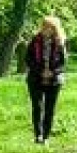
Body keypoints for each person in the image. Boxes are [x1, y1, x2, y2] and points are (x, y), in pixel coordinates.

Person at [23, 15, 67, 144]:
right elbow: (28, 59)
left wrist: (52, 73)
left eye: (50, 27)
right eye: (44, 26)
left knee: (50, 108)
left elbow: (63, 64)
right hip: (35, 78)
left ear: (55, 29)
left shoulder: (60, 43)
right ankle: (38, 134)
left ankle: (46, 136)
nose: (46, 29)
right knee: (37, 107)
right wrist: (40, 72)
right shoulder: (35, 41)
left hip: (54, 80)